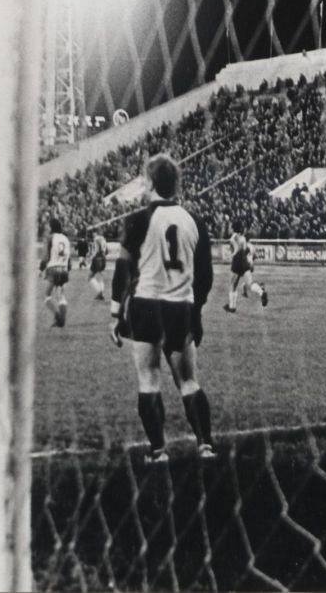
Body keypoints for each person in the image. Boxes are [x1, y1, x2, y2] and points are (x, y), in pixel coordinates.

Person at [110, 154, 216, 463]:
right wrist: (195, 312)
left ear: (151, 183)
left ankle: (158, 452)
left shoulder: (137, 220)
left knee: (149, 378)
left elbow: (123, 270)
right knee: (188, 380)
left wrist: (116, 313)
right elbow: (205, 276)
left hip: (146, 306)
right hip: (180, 307)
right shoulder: (194, 221)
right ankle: (205, 446)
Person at [223, 222, 267, 313]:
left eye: (231, 227)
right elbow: (245, 249)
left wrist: (231, 255)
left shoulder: (232, 238)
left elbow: (236, 249)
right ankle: (261, 293)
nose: (230, 229)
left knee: (233, 284)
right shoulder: (243, 237)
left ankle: (232, 307)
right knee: (250, 284)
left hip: (237, 262)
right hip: (244, 261)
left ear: (234, 228)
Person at [40, 218, 71, 327]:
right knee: (61, 296)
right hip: (64, 268)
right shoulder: (65, 239)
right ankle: (60, 322)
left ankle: (58, 316)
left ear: (52, 227)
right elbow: (68, 256)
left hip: (53, 268)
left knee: (47, 296)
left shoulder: (50, 238)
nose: (47, 228)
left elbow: (45, 257)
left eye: (48, 226)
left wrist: (41, 269)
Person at [88, 229, 108, 300]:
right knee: (100, 277)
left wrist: (91, 258)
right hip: (103, 259)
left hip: (97, 259)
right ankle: (101, 295)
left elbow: (96, 250)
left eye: (93, 233)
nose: (92, 235)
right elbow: (106, 251)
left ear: (95, 233)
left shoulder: (96, 239)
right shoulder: (103, 239)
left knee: (90, 277)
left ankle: (99, 292)